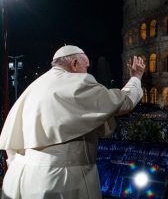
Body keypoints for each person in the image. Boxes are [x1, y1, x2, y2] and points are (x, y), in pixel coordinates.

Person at [0, 45, 145, 199]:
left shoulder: (35, 86)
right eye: (86, 67)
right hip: (64, 179)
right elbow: (122, 102)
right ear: (75, 64)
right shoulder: (78, 82)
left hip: (23, 176)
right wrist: (136, 78)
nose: (87, 72)